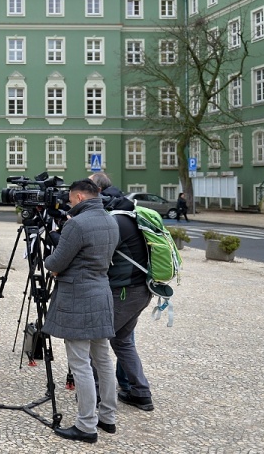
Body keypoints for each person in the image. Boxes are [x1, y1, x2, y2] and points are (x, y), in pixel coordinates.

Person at [42, 179, 119, 444]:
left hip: (78, 298)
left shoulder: (76, 224)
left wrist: (48, 260)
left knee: (80, 364)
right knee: (103, 359)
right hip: (101, 293)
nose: (69, 204)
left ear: (78, 197)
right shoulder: (111, 220)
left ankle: (86, 425)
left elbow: (57, 261)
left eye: (71, 200)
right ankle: (108, 417)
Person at [90, 172, 155, 412]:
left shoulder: (114, 220)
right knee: (123, 341)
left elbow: (94, 253)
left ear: (97, 194)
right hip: (140, 291)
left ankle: (95, 395)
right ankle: (141, 393)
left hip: (124, 293)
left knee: (94, 339)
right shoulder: (126, 212)